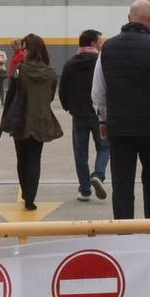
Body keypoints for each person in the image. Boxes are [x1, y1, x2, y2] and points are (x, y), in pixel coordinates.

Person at [91, 0, 150, 220]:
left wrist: (103, 120)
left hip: (119, 128)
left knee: (122, 183)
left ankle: (124, 232)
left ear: (128, 18)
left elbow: (98, 91)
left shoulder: (107, 48)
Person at [3, 34, 61, 211]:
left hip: (20, 120)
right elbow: (50, 97)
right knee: (35, 159)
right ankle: (30, 198)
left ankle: (26, 191)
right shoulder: (51, 73)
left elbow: (11, 95)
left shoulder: (21, 70)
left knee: (22, 158)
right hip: (41, 120)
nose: (23, 51)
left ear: (31, 50)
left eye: (25, 48)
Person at [59, 29, 109, 202]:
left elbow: (62, 90)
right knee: (104, 147)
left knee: (80, 153)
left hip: (78, 115)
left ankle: (85, 190)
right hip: (99, 115)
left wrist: (69, 107)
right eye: (101, 42)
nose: (102, 44)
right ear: (93, 43)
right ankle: (99, 175)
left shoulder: (70, 63)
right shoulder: (101, 62)